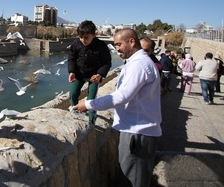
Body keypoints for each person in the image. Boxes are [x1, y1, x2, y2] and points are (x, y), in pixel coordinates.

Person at [73, 29, 161, 187]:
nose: (116, 48)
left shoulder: (139, 65)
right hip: (139, 130)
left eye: (119, 44)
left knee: (131, 180)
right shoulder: (139, 62)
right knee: (135, 177)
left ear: (132, 42)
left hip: (137, 133)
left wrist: (88, 104)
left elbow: (122, 96)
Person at [67, 20, 112, 124]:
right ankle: (75, 110)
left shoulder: (101, 46)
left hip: (94, 76)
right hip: (79, 73)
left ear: (94, 34)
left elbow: (107, 62)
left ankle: (92, 119)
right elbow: (71, 58)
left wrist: (100, 74)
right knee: (73, 93)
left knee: (91, 99)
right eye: (80, 37)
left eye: (86, 37)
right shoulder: (76, 44)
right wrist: (72, 71)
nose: (83, 40)